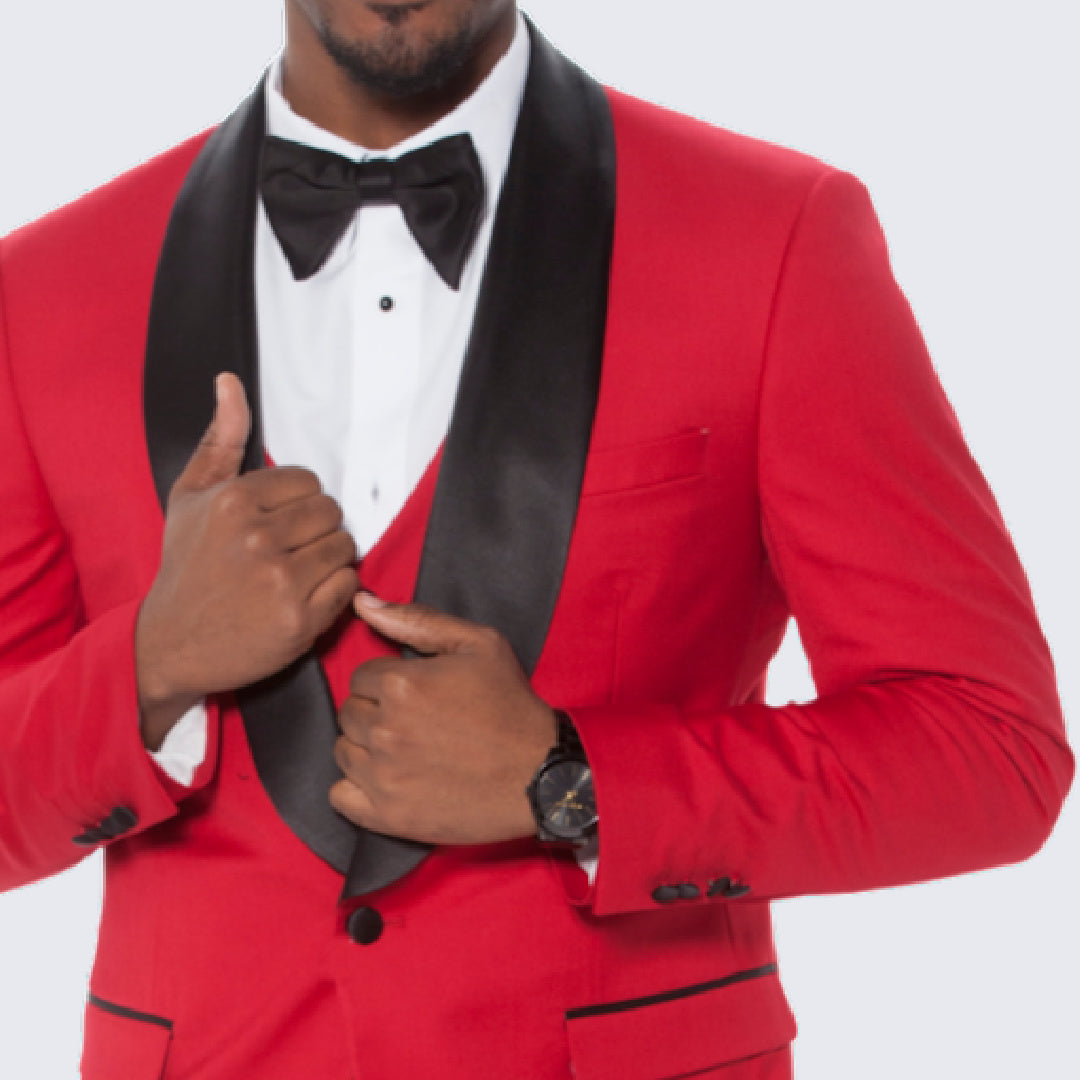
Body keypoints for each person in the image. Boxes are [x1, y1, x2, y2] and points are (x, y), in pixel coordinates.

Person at [0, 1, 1072, 1077]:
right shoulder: (41, 287)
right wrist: (151, 666)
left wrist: (570, 785)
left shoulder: (774, 235)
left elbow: (989, 748)